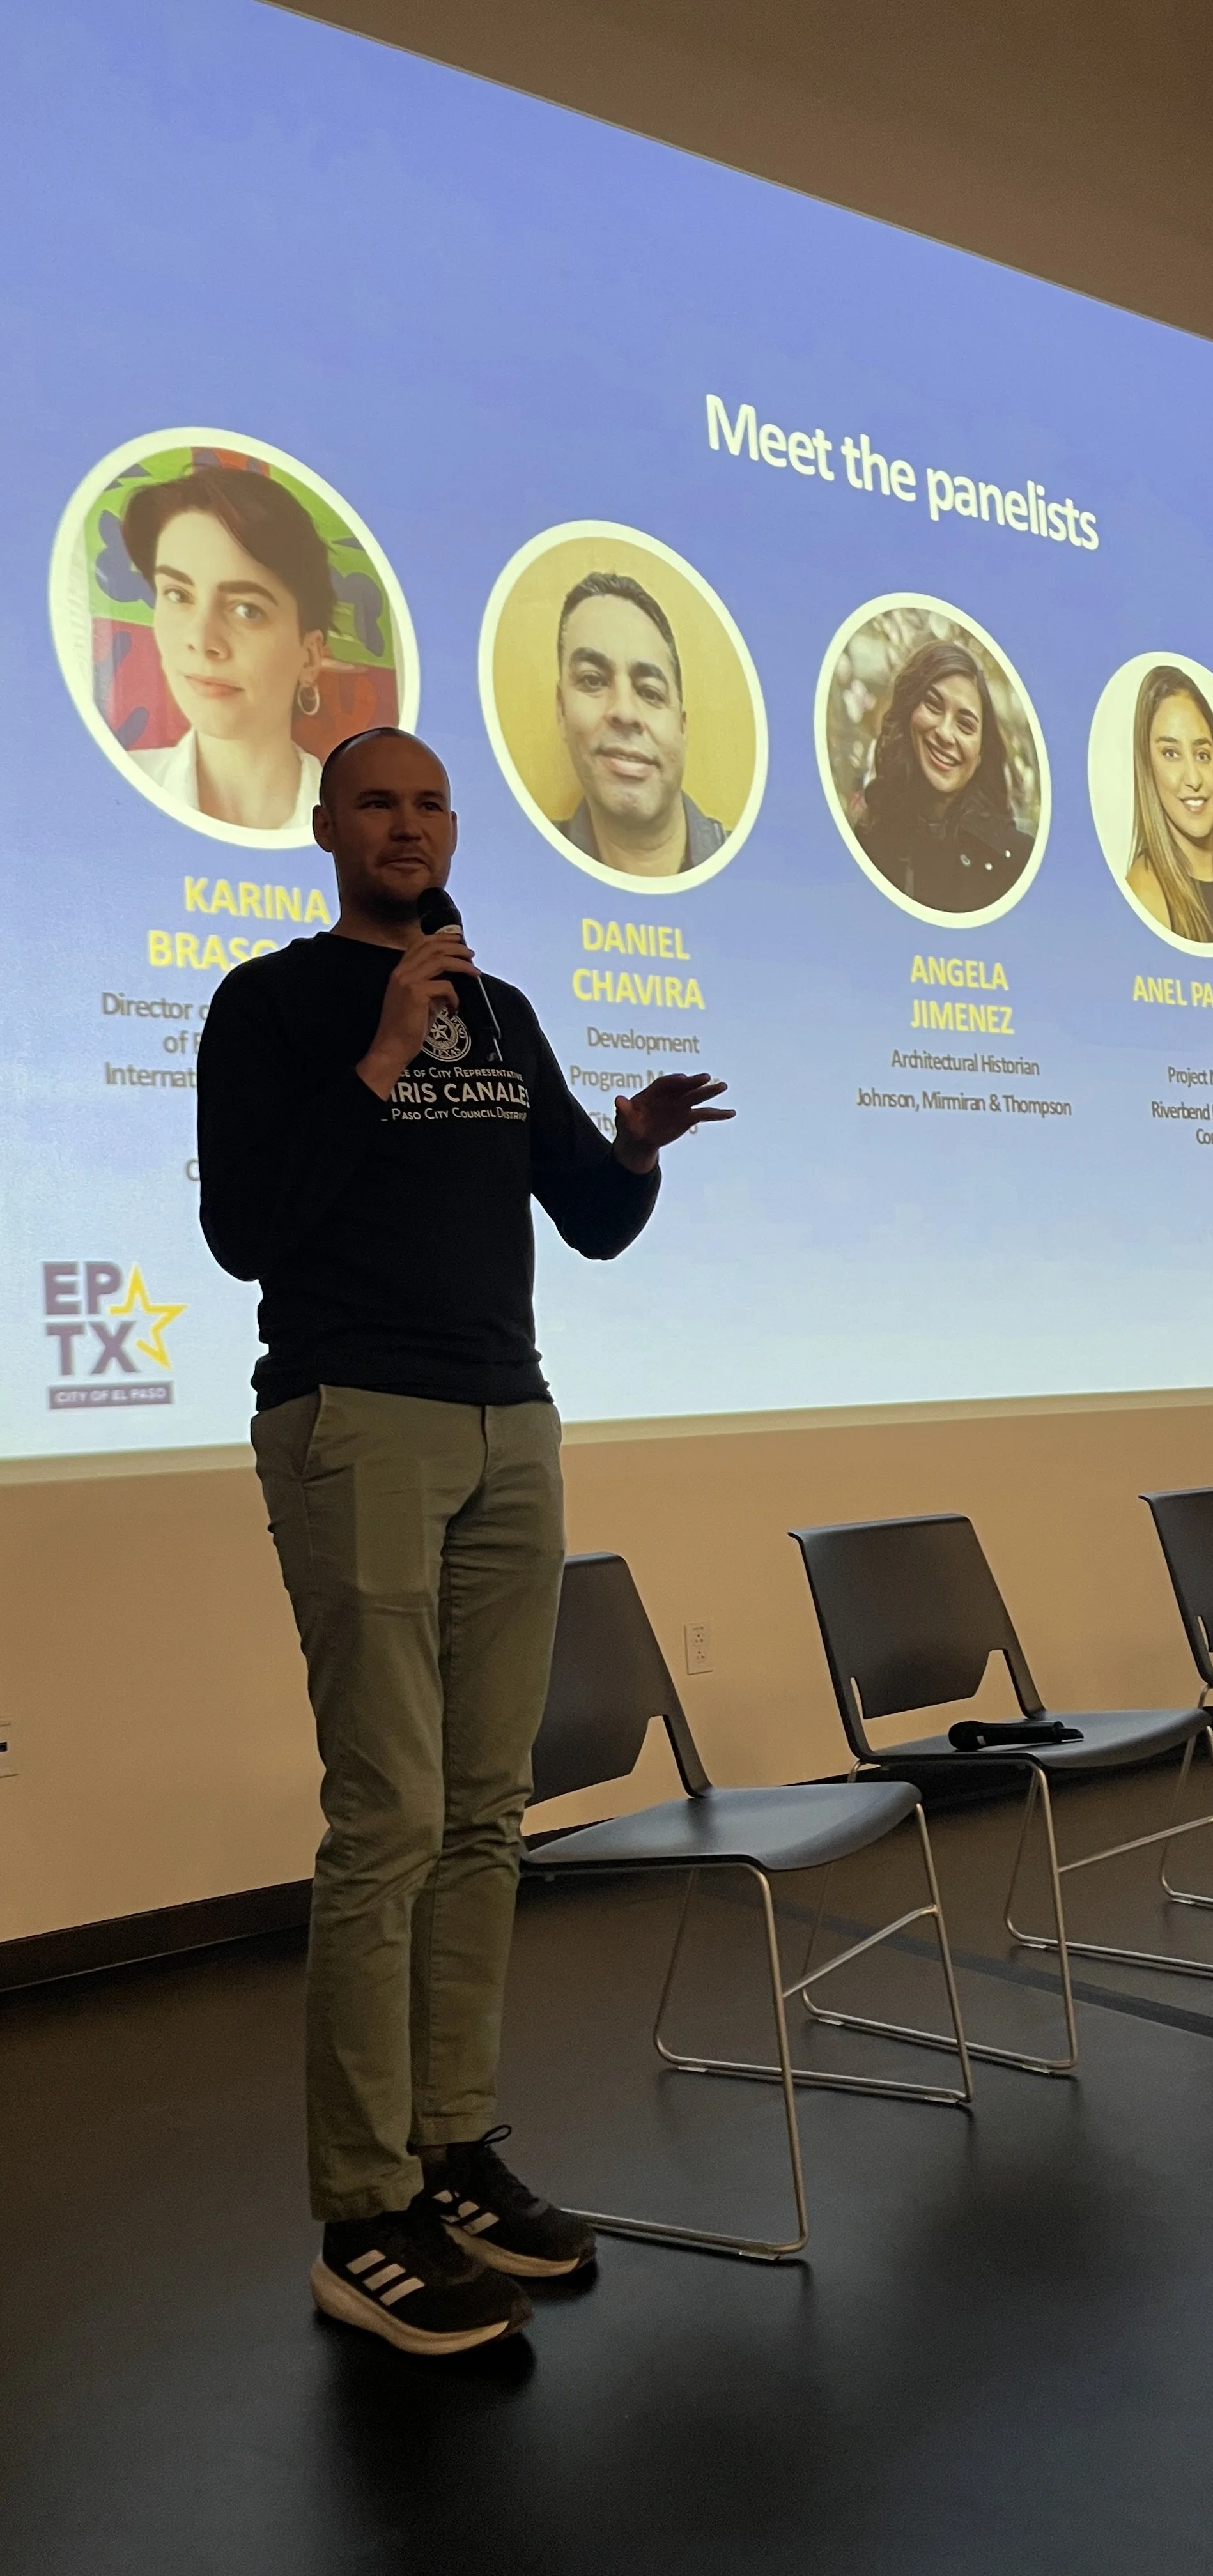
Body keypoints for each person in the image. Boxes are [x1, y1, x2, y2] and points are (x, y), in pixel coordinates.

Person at [196, 726, 730, 2358]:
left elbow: (586, 1215)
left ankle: (453, 2149)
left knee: (488, 1814)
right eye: (379, 800)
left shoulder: (497, 1012)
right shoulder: (272, 1004)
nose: (410, 824)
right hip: (356, 1417)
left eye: (431, 801)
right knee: (391, 1818)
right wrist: (379, 1051)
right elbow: (242, 1232)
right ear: (326, 825)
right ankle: (362, 2213)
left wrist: (632, 1147)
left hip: (514, 1422)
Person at [120, 464, 333, 834]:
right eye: (177, 595)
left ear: (310, 656)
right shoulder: (116, 787)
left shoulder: (357, 827)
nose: (202, 641)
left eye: (247, 610)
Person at [556, 571, 727, 876]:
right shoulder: (525, 872)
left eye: (650, 692)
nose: (624, 713)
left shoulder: (748, 870)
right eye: (593, 680)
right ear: (561, 709)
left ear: (682, 726)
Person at [852, 637, 1034, 911]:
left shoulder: (1021, 864)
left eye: (965, 724)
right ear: (908, 713)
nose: (945, 733)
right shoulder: (868, 841)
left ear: (982, 752)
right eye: (934, 706)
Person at [1125, 665, 1213, 943]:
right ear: (1147, 769)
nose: (1193, 779)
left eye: (1202, 755)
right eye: (1171, 753)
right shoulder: (1144, 894)